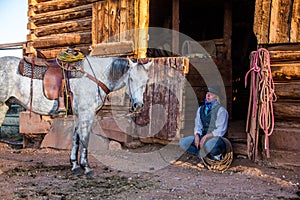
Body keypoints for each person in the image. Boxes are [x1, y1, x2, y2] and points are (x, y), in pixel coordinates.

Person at [179, 86, 229, 160]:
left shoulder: (221, 111)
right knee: (183, 142)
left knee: (210, 146)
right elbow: (198, 125)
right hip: (204, 137)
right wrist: (197, 135)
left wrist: (207, 136)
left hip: (217, 139)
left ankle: (215, 155)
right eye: (207, 94)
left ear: (216, 97)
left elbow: (221, 131)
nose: (208, 96)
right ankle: (203, 156)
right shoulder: (201, 109)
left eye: (211, 94)